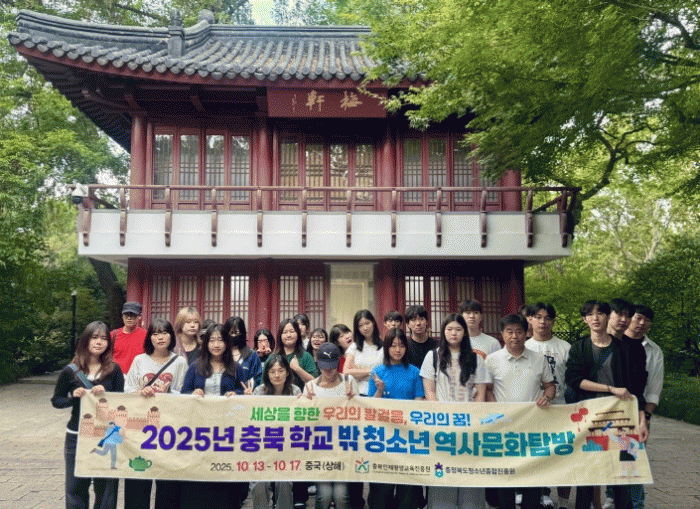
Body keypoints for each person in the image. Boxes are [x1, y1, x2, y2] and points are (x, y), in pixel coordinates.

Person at [565, 301, 649, 509]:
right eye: (590, 314)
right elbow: (574, 380)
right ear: (585, 319)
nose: (595, 318)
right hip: (589, 418)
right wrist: (611, 388)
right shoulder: (579, 347)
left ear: (608, 317)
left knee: (623, 471)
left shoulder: (626, 349)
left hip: (621, 417)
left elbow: (636, 388)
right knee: (587, 472)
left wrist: (642, 420)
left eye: (600, 313)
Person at [485, 314, 555, 509]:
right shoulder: (492, 360)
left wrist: (547, 397)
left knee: (532, 473)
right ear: (502, 334)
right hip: (503, 427)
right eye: (509, 332)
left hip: (532, 427)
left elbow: (550, 386)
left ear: (526, 333)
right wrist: (496, 410)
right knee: (505, 474)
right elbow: (487, 390)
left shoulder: (539, 359)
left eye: (519, 331)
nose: (514, 336)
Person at [52, 321, 124, 509]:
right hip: (77, 435)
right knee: (76, 486)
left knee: (106, 488)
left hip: (106, 435)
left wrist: (107, 395)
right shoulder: (71, 370)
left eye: (103, 338)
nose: (99, 342)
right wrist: (73, 398)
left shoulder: (114, 370)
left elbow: (122, 404)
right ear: (85, 340)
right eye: (94, 337)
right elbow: (56, 400)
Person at [421, 313, 488, 509]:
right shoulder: (433, 356)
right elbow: (429, 391)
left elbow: (480, 394)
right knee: (442, 472)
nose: (453, 333)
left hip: (469, 426)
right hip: (442, 425)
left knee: (470, 473)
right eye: (449, 329)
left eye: (458, 329)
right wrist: (442, 415)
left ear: (464, 333)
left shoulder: (476, 359)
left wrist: (473, 419)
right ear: (443, 332)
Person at [123, 318, 188, 509]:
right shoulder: (139, 360)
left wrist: (170, 392)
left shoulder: (180, 362)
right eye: (156, 333)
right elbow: (128, 390)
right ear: (149, 338)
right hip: (142, 427)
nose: (160, 337)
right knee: (139, 476)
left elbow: (185, 394)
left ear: (171, 336)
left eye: (165, 333)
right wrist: (139, 392)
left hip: (169, 428)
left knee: (167, 481)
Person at [180, 323, 247, 509]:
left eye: (220, 340)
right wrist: (193, 393)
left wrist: (237, 394)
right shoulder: (195, 367)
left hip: (227, 432)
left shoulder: (236, 368)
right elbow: (183, 394)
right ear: (206, 343)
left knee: (223, 474)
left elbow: (244, 395)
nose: (216, 344)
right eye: (212, 340)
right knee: (201, 474)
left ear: (227, 343)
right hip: (200, 431)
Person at [367, 328, 425, 509]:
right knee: (381, 491)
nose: (398, 350)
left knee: (407, 491)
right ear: (386, 348)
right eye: (393, 346)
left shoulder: (414, 372)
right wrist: (379, 390)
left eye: (401, 346)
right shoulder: (377, 372)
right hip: (383, 436)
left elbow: (419, 403)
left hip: (407, 435)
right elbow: (370, 407)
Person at [523, 303, 572, 509]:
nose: (543, 322)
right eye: (538, 317)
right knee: (537, 456)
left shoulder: (565, 347)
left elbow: (572, 379)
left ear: (553, 321)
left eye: (548, 318)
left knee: (563, 457)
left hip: (561, 408)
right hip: (533, 411)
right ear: (530, 319)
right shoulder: (524, 347)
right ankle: (541, 495)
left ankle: (564, 502)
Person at [303, 343, 358, 509]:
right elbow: (304, 423)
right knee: (325, 496)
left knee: (341, 496)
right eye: (324, 366)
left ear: (338, 363)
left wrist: (353, 400)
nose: (328, 370)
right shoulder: (310, 387)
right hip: (321, 450)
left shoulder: (349, 382)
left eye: (332, 366)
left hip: (343, 449)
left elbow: (360, 416)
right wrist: (306, 403)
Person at [622, 304, 663, 509]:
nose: (642, 323)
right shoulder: (614, 342)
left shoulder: (653, 350)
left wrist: (646, 416)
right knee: (612, 460)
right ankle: (613, 499)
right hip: (611, 410)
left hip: (638, 413)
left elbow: (655, 387)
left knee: (632, 459)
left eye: (647, 320)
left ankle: (636, 504)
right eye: (638, 318)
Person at [249, 354, 300, 509]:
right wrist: (247, 401)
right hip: (262, 447)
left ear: (287, 372)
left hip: (286, 448)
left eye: (281, 371)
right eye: (272, 371)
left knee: (284, 483)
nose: (277, 375)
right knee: (258, 483)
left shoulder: (295, 391)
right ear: (267, 374)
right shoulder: (259, 391)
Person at [270, 318, 318, 390]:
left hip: (301, 396)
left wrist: (298, 369)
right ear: (280, 335)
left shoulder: (306, 356)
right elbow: (264, 383)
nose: (288, 335)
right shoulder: (273, 357)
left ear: (298, 334)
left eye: (292, 331)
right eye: (285, 332)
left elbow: (315, 382)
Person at [344, 310, 384, 396]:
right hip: (359, 393)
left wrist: (358, 373)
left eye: (367, 323)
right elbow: (346, 371)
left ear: (373, 323)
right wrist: (370, 371)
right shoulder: (354, 347)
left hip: (379, 393)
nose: (365, 328)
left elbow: (385, 373)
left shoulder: (383, 347)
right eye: (360, 325)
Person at [224, 316, 263, 387]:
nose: (234, 336)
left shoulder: (252, 355)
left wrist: (249, 386)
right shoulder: (222, 354)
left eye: (237, 333)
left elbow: (258, 379)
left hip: (247, 393)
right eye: (231, 333)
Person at [111, 301, 146, 374]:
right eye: (126, 315)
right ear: (122, 315)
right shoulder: (113, 335)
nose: (129, 318)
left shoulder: (146, 335)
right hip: (116, 376)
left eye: (132, 315)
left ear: (140, 316)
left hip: (138, 376)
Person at [405, 305, 437, 369]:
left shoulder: (437, 345)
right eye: (413, 320)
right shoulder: (405, 346)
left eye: (421, 319)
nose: (418, 323)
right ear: (408, 324)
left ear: (427, 322)